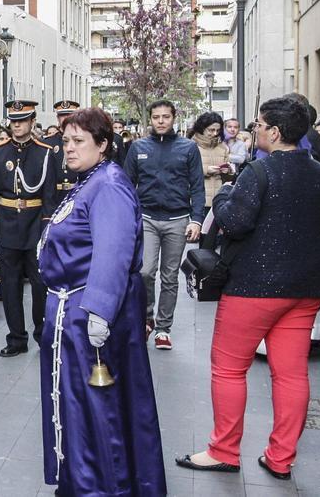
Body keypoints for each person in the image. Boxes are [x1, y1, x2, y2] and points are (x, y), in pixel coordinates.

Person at [177, 96, 320, 481]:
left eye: (260, 125)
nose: (255, 130)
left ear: (276, 132)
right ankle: (281, 457)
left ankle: (223, 450)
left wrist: (228, 192)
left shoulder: (258, 172)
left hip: (255, 287)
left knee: (229, 369)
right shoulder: (318, 172)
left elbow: (234, 222)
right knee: (292, 374)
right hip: (306, 288)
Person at [37, 107, 166, 495]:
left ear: (104, 144)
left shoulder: (108, 183)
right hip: (72, 313)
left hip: (90, 316)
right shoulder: (90, 179)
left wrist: (99, 311)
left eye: (78, 141)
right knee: (80, 408)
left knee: (99, 409)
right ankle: (83, 481)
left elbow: (114, 252)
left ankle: (106, 487)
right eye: (65, 141)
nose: (68, 149)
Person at [122, 100, 205, 350]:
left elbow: (198, 187)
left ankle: (163, 328)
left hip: (177, 220)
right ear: (150, 119)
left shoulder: (188, 148)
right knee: (145, 271)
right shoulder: (138, 147)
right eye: (156, 117)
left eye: (165, 117)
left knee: (170, 277)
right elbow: (126, 185)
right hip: (146, 218)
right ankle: (146, 317)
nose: (160, 121)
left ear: (173, 118)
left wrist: (197, 220)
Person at [0, 100, 55, 357]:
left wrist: (47, 230)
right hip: (6, 226)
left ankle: (42, 334)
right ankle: (16, 339)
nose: (17, 126)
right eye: (13, 121)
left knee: (39, 285)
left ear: (32, 122)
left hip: (35, 225)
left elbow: (49, 197)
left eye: (22, 121)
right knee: (10, 285)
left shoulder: (45, 152)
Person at [190, 112, 234, 249]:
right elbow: (185, 171)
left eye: (217, 130)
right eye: (211, 130)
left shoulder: (223, 148)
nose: (214, 133)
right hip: (200, 200)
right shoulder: (191, 146)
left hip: (220, 199)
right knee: (204, 239)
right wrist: (206, 170)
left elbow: (229, 176)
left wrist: (229, 171)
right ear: (202, 128)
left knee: (219, 240)